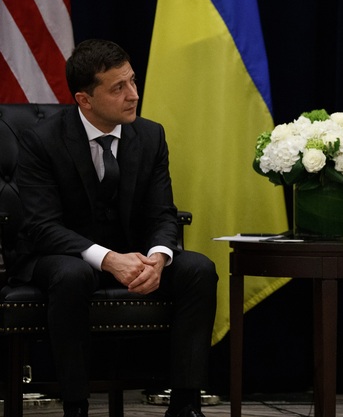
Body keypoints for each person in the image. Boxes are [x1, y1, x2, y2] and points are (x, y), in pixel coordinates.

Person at [11, 39, 218, 417]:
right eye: (118, 87)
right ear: (84, 100)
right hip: (60, 255)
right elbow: (41, 226)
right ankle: (76, 407)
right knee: (72, 275)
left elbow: (162, 213)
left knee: (198, 270)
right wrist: (107, 260)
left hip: (134, 252)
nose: (133, 95)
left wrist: (159, 256)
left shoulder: (150, 136)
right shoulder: (42, 141)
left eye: (133, 82)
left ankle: (186, 404)